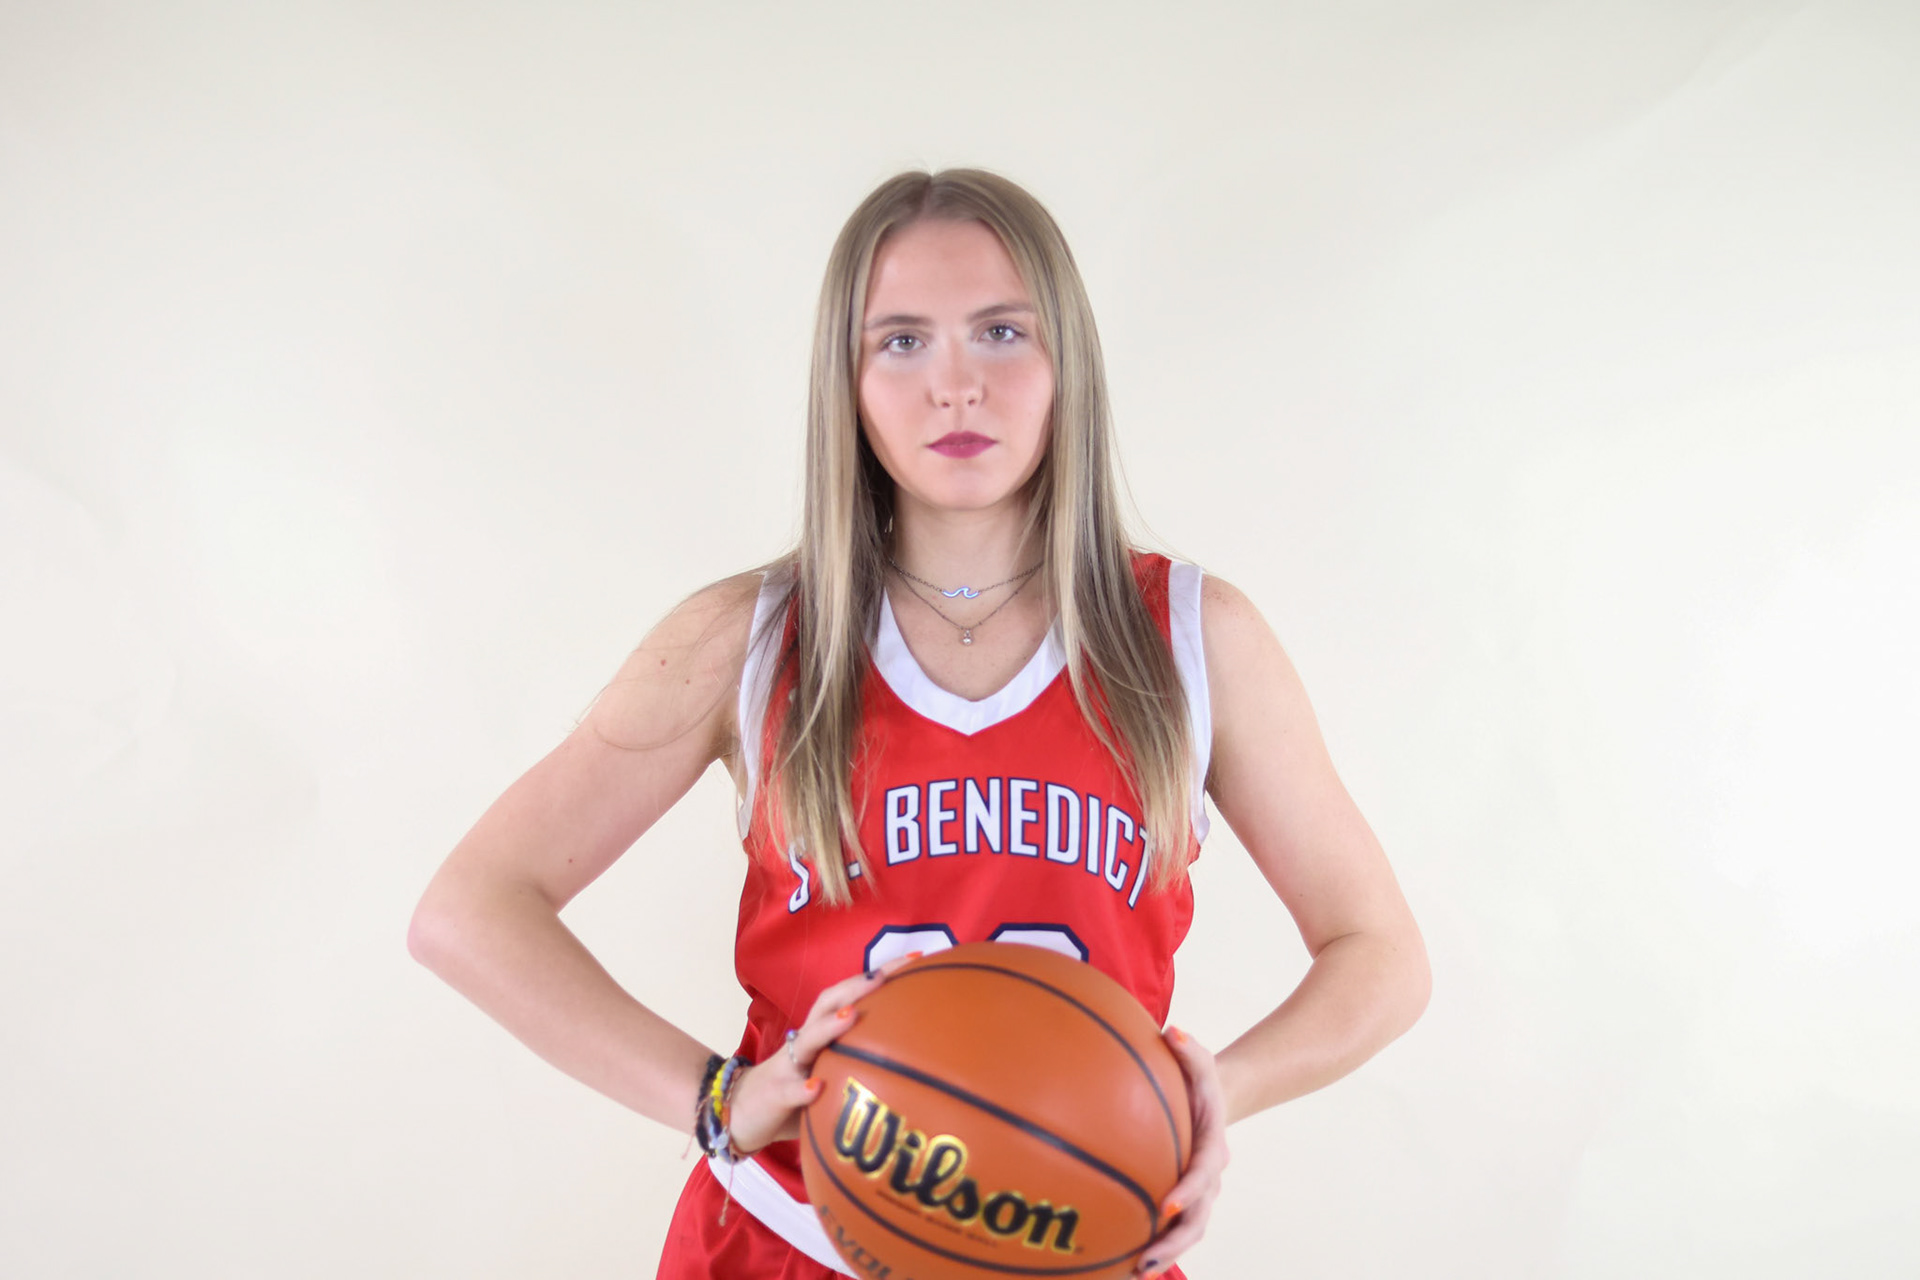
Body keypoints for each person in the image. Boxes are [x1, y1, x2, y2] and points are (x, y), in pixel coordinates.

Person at [408, 168, 1430, 1279]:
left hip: (1078, 1243)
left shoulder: (1190, 636)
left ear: (1065, 365)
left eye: (1000, 331)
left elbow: (1381, 953)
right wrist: (717, 1099)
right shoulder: (743, 641)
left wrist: (1204, 1095)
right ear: (844, 383)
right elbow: (468, 909)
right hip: (790, 1240)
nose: (955, 385)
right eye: (901, 341)